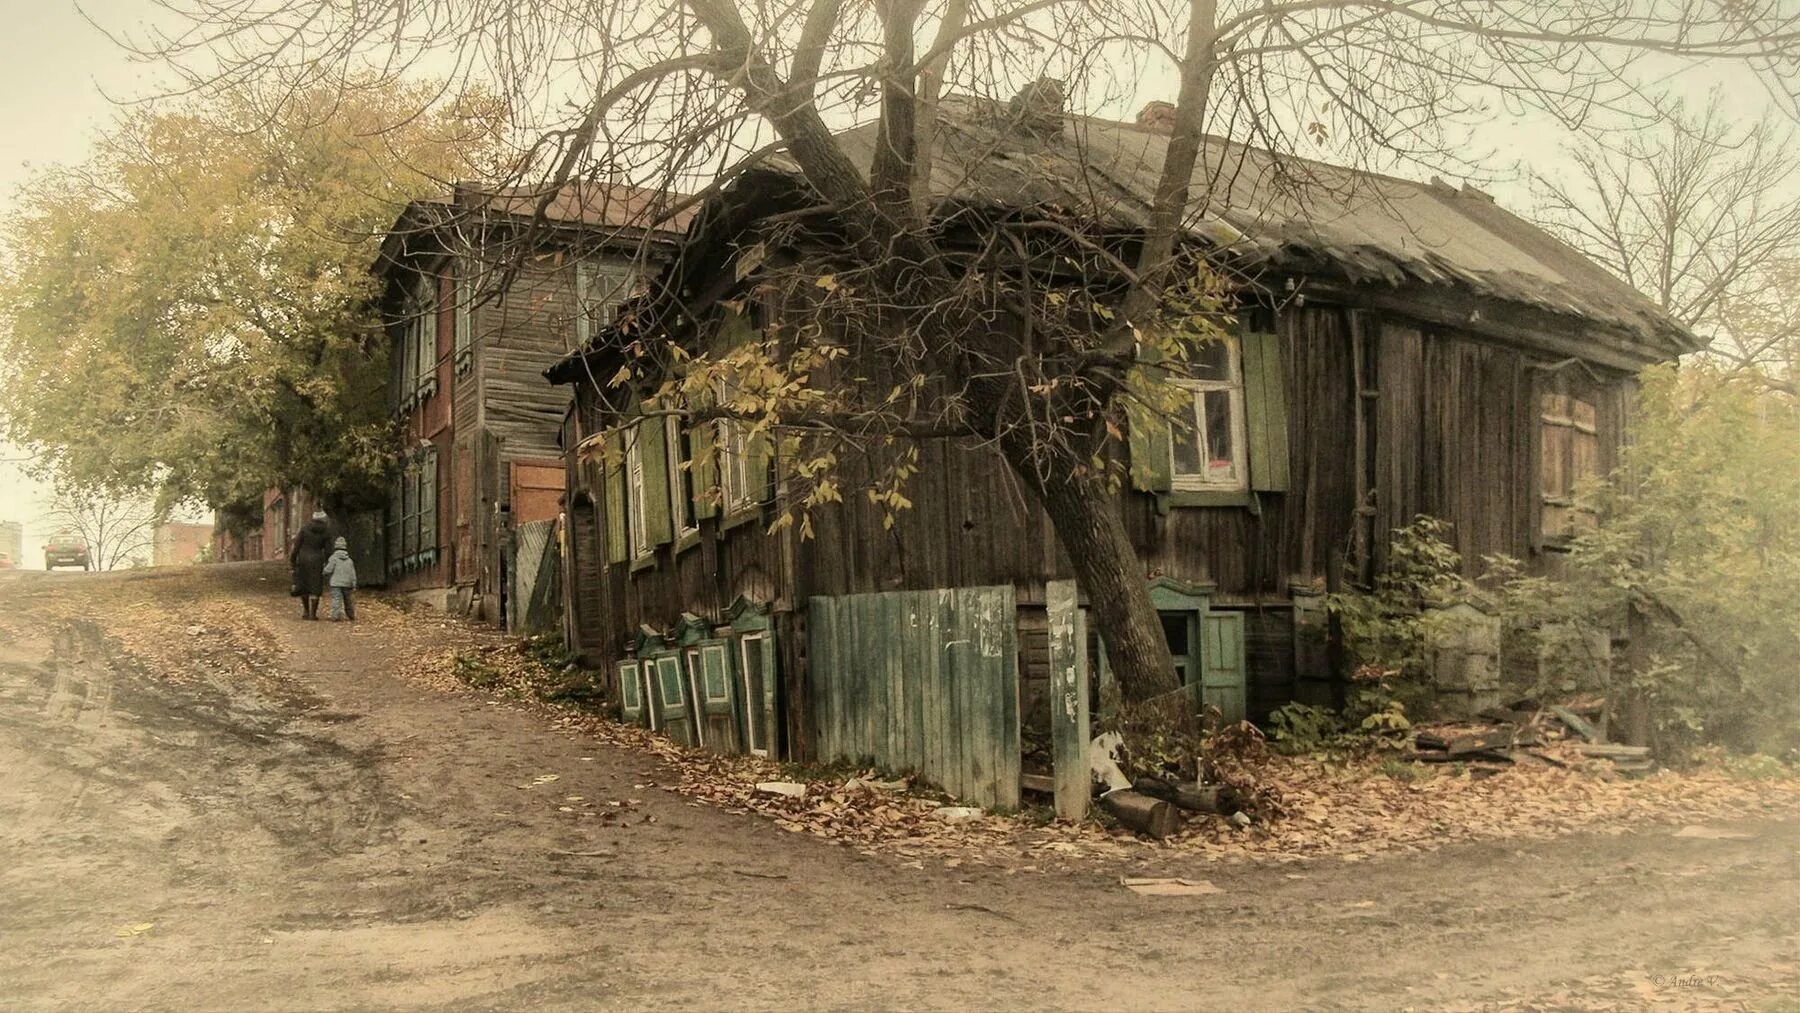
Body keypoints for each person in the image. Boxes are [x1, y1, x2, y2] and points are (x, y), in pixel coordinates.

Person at [288, 510, 333, 620]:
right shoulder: (326, 531)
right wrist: (328, 563)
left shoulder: (304, 529)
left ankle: (306, 611)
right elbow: (328, 550)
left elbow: (297, 545)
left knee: (304, 585)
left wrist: (293, 560)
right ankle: (313, 614)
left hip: (303, 558)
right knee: (315, 586)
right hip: (317, 559)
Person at [321, 536, 358, 621]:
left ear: (335, 547)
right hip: (347, 583)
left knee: (336, 599)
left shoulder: (333, 558)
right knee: (348, 600)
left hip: (336, 583)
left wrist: (323, 572)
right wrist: (354, 583)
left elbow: (328, 569)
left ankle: (335, 616)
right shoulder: (349, 560)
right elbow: (353, 573)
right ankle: (351, 615)